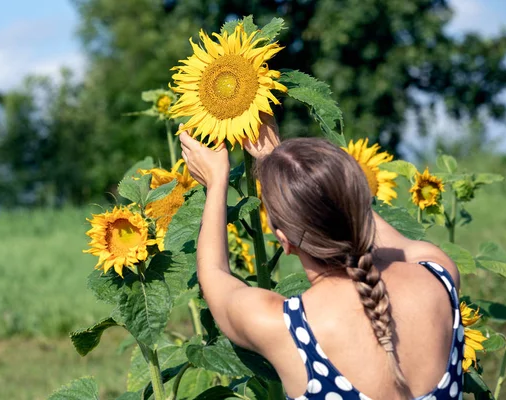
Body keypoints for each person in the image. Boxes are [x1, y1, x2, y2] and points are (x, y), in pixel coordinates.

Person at [179, 116, 462, 400]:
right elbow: (364, 220)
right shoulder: (438, 275)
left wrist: (217, 183)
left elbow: (213, 274)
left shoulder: (285, 329)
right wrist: (278, 161)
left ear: (284, 240)